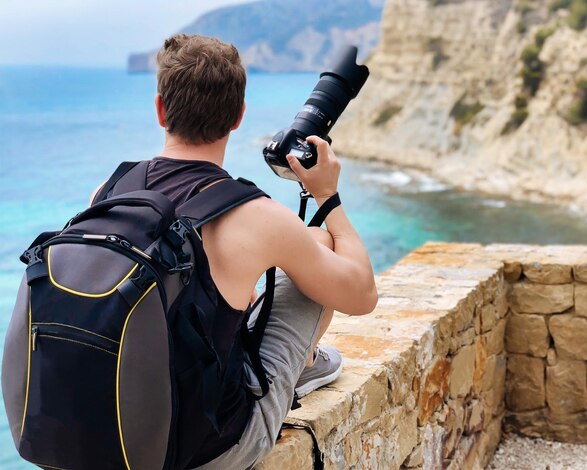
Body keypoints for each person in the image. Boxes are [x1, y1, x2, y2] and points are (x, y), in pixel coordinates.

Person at [97, 34, 377, 469]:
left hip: (108, 430)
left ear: (160, 110)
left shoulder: (110, 191)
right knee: (317, 245)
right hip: (202, 450)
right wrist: (327, 198)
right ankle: (302, 365)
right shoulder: (255, 215)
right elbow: (361, 295)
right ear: (238, 117)